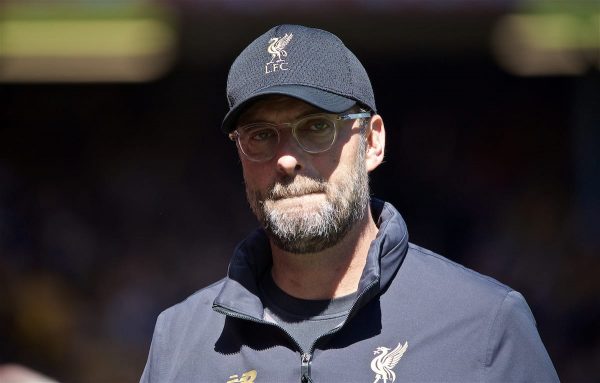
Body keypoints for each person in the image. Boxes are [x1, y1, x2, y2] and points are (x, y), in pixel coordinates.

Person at [140, 24, 559, 383]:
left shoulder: (485, 325)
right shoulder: (179, 340)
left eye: (318, 126)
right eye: (261, 134)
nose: (286, 158)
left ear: (372, 141)